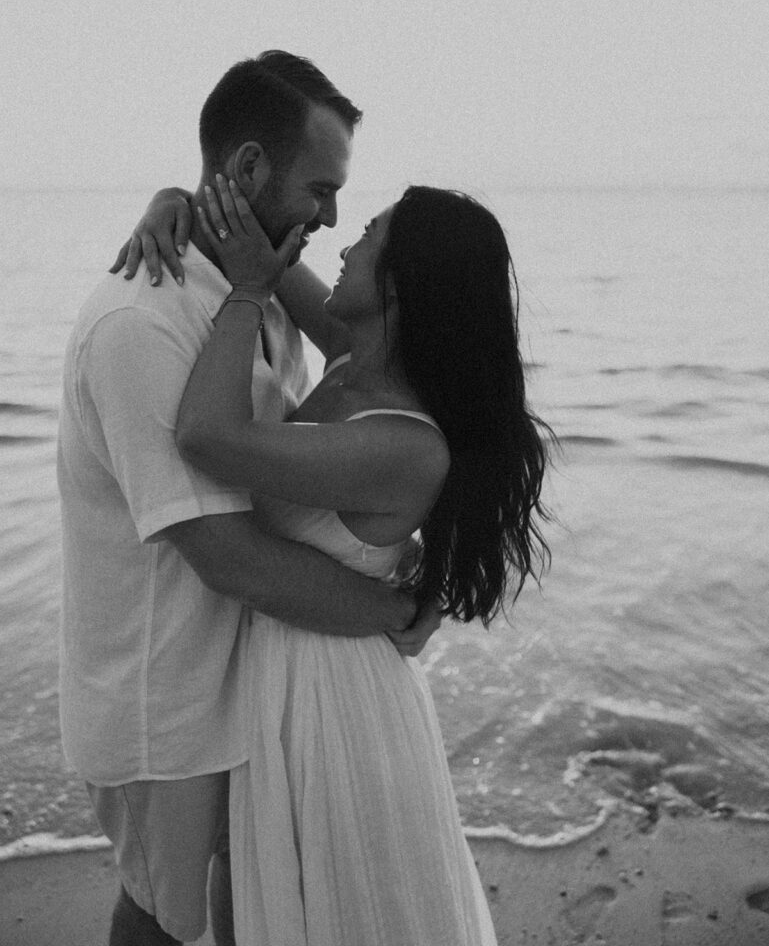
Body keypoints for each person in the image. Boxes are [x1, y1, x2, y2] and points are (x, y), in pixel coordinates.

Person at [58, 51, 438, 946]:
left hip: (255, 677)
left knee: (254, 905)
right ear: (250, 170)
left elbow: (341, 386)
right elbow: (224, 552)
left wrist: (175, 201)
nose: (331, 217)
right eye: (321, 187)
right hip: (168, 695)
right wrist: (395, 605)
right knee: (161, 921)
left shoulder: (253, 285)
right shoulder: (141, 322)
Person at [120, 176, 553, 944]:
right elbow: (256, 238)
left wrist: (246, 294)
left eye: (370, 236)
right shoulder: (357, 358)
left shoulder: (405, 442)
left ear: (399, 285)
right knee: (268, 897)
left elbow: (206, 439)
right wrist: (171, 203)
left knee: (325, 907)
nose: (345, 239)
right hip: (286, 668)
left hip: (332, 699)